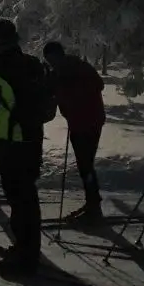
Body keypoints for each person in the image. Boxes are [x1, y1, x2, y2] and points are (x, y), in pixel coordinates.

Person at [0, 19, 54, 272]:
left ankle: (25, 253)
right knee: (28, 194)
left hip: (11, 139)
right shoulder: (33, 64)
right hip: (34, 136)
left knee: (17, 195)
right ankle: (28, 248)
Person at [43, 41, 106, 220]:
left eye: (51, 59)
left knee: (86, 164)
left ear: (58, 55)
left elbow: (97, 84)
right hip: (78, 122)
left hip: (89, 121)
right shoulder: (60, 72)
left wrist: (66, 87)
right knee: (84, 164)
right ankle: (92, 201)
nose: (51, 63)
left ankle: (94, 205)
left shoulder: (78, 67)